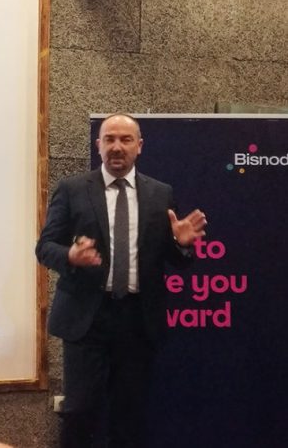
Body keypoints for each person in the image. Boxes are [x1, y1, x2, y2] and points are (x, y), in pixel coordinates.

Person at [35, 113, 207, 448]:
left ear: (139, 146)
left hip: (138, 321)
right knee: (81, 412)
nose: (117, 146)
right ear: (98, 145)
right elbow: (45, 247)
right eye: (109, 139)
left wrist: (180, 244)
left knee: (130, 416)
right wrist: (70, 256)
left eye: (125, 140)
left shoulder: (161, 193)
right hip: (88, 320)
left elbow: (175, 260)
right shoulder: (72, 190)